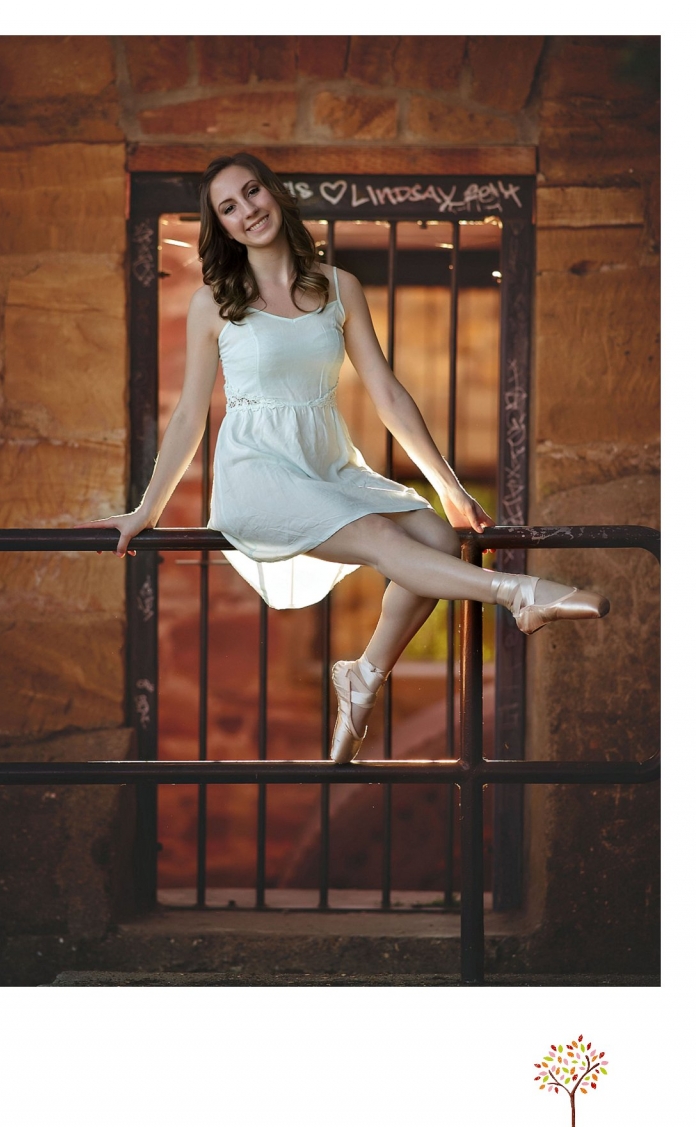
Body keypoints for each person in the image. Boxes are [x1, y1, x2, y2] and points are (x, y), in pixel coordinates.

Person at [81, 152, 609, 764]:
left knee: (438, 535)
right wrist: (146, 510)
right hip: (258, 473)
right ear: (221, 226)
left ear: (272, 193)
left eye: (252, 192)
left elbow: (386, 393)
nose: (247, 210)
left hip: (327, 462)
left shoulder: (338, 287)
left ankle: (363, 677)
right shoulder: (214, 303)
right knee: (383, 536)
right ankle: (520, 594)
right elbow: (187, 419)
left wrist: (450, 486)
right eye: (229, 207)